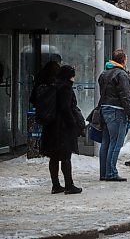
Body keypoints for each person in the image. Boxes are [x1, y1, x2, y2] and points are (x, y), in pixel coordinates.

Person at [37, 64, 85, 194]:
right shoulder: (65, 88)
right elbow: (66, 109)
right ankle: (69, 185)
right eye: (73, 75)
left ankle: (56, 185)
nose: (74, 78)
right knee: (65, 156)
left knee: (53, 157)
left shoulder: (52, 86)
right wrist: (73, 124)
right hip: (62, 128)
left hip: (50, 127)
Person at [98, 49, 130, 181]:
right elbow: (126, 96)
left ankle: (104, 172)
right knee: (116, 143)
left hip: (105, 109)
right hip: (117, 111)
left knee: (106, 143)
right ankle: (111, 173)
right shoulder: (121, 75)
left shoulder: (104, 74)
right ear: (124, 60)